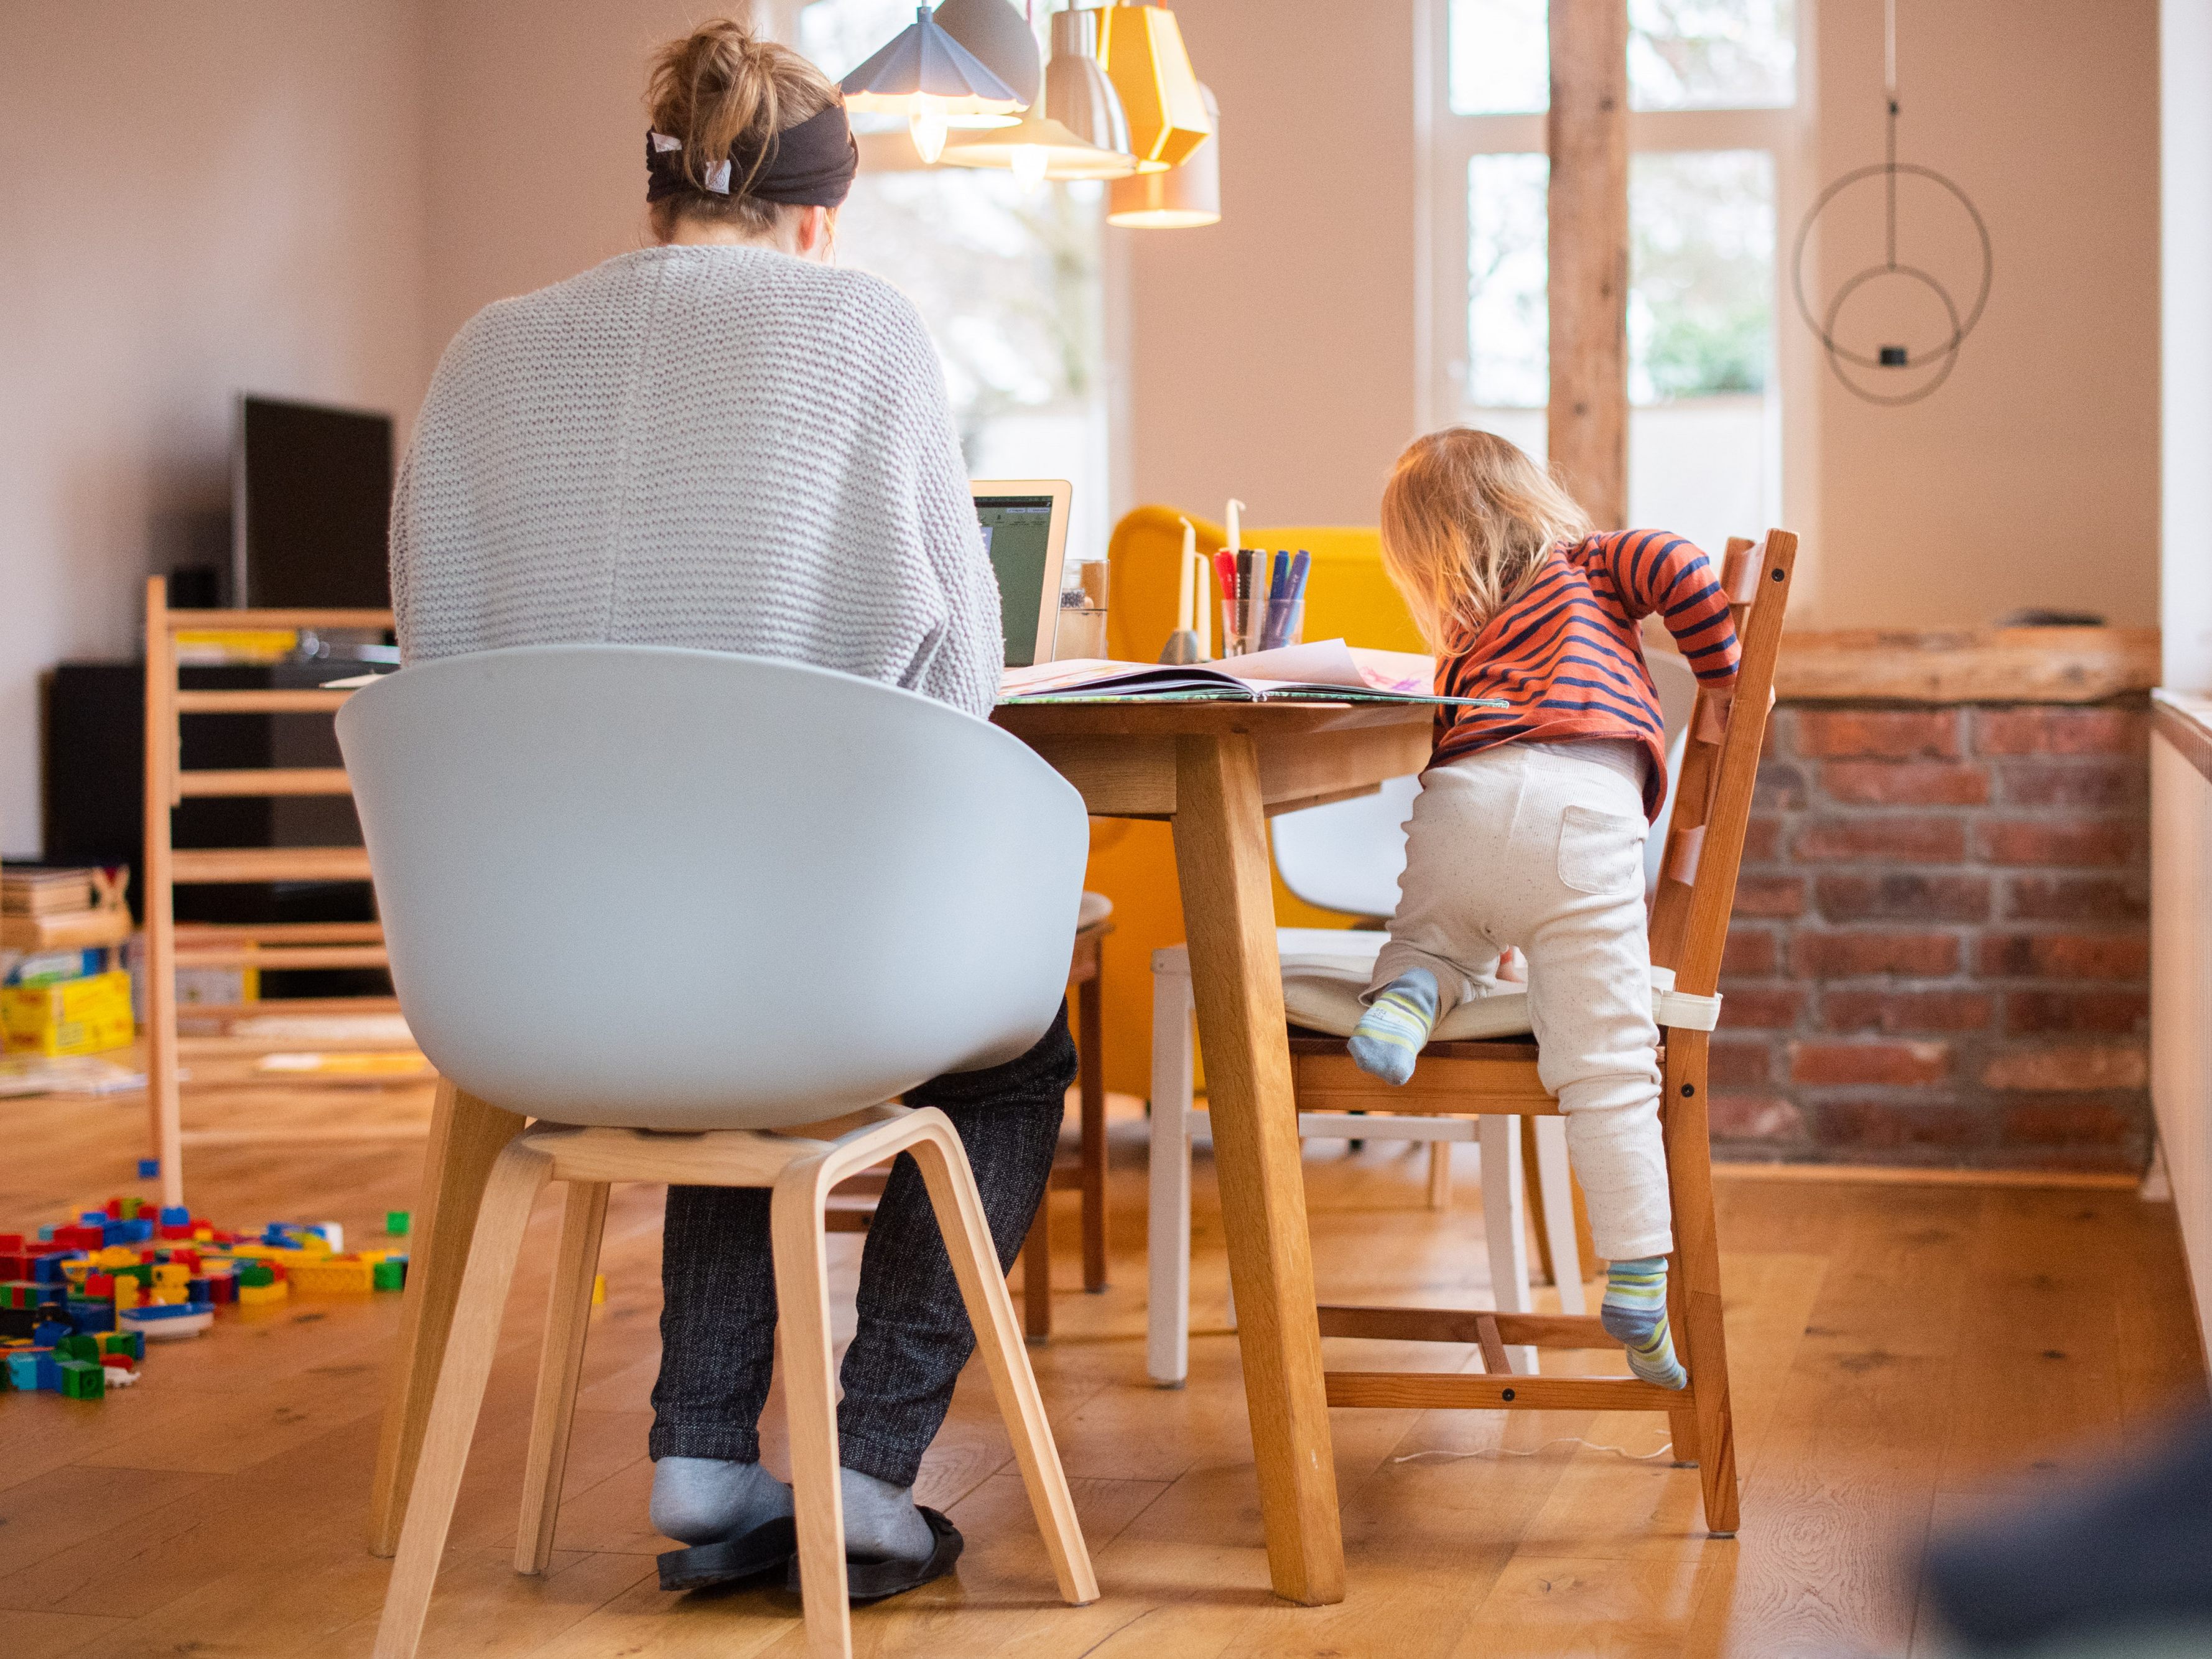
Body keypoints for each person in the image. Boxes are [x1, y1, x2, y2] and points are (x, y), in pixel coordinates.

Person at [389, 17, 1072, 1602]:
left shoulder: (484, 349)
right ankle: (868, 1471)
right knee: (1013, 1033)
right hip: (765, 972)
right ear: (818, 216)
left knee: (712, 970)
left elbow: (436, 651)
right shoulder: (859, 335)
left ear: (657, 199)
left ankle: (701, 1445)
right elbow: (955, 675)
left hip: (524, 976)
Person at [1346, 428, 1740, 1388]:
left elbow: (1485, 833)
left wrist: (1493, 934)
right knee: (1605, 1069)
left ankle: (1404, 1003)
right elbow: (1681, 562)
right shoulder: (1593, 560)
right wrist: (1723, 676)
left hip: (1463, 805)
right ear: (1531, 498)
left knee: (1435, 938)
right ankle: (1639, 1280)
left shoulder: (1469, 642)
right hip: (1584, 822)